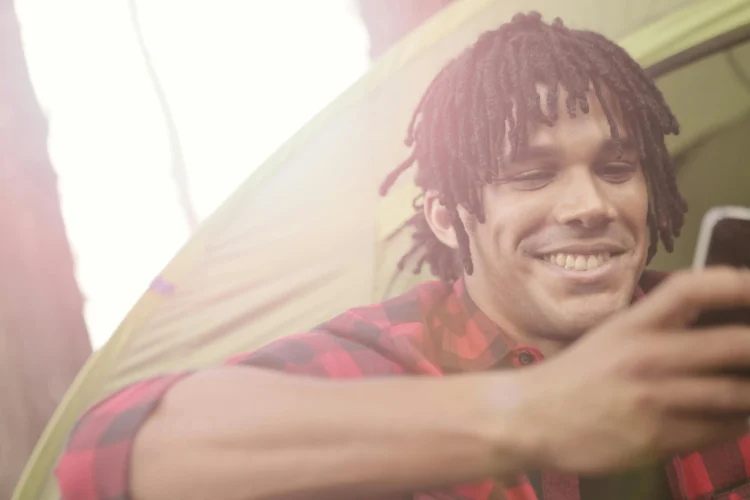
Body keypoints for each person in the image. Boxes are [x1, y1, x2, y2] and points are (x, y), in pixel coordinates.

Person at [56, 12, 750, 500]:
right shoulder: (394, 356)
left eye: (617, 167)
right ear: (447, 220)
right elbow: (112, 452)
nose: (589, 204)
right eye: (533, 176)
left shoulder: (716, 338)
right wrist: (532, 413)